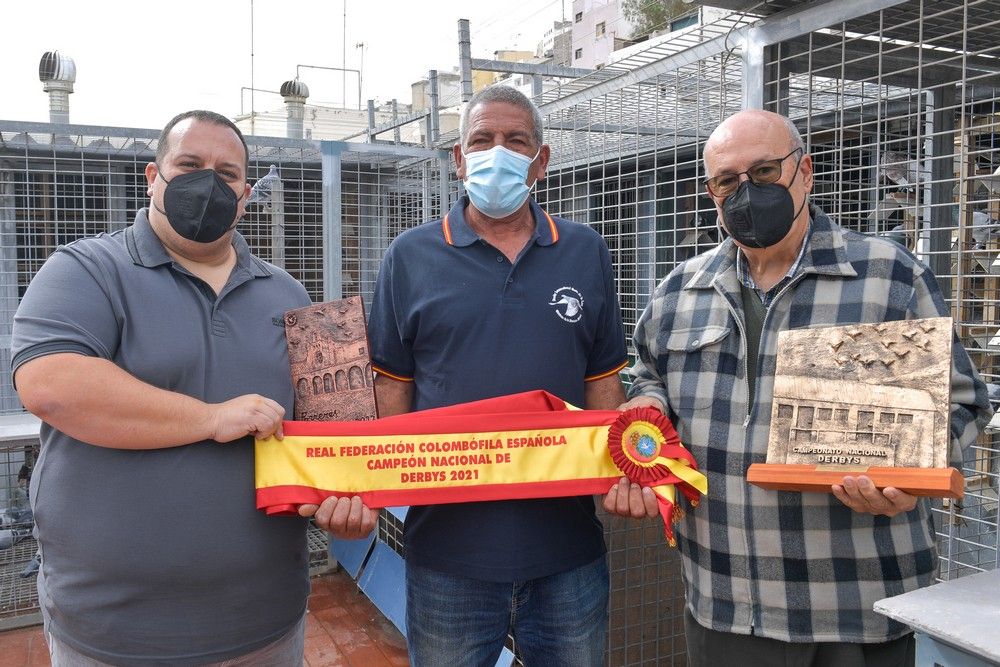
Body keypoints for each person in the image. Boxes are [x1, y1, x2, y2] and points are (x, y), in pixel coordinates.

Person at [606, 109, 993, 666]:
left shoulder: (888, 276)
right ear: (711, 193)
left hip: (858, 605)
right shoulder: (679, 290)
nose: (746, 192)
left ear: (805, 172)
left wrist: (915, 476)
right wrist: (644, 421)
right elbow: (647, 377)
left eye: (763, 172)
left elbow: (964, 402)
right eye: (727, 181)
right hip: (725, 600)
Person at [10, 109, 366, 666]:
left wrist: (349, 495)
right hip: (115, 633)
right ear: (153, 177)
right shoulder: (84, 269)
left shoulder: (293, 294)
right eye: (189, 164)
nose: (208, 182)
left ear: (246, 193)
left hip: (265, 622)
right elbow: (51, 384)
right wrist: (210, 418)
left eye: (226, 173)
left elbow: (336, 430)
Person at [359, 85, 628, 666]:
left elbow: (604, 386)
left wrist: (621, 473)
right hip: (447, 556)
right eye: (481, 140)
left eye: (516, 141)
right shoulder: (409, 257)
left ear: (542, 159)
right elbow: (391, 393)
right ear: (458, 159)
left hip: (569, 550)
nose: (497, 152)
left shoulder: (585, 251)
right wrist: (374, 487)